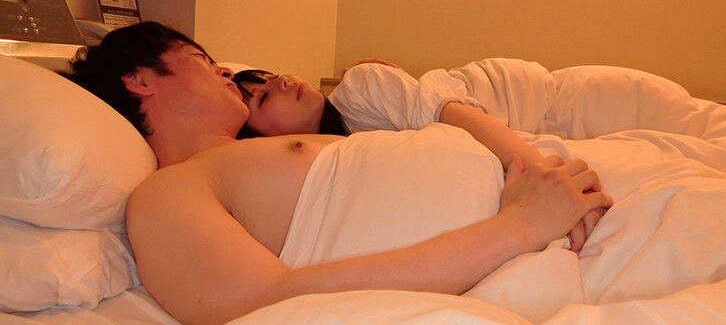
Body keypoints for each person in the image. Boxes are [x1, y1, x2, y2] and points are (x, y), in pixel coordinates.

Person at [67, 22, 612, 324]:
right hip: (542, 236)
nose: (225, 71)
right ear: (140, 79)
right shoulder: (167, 192)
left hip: (557, 201)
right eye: (200, 60)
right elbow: (268, 302)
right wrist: (519, 226)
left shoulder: (256, 152)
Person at [234, 63, 607, 248]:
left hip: (500, 129)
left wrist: (546, 175)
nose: (281, 82)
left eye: (270, 77)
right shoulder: (310, 186)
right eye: (263, 97)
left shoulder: (357, 90)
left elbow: (454, 115)